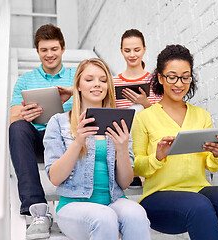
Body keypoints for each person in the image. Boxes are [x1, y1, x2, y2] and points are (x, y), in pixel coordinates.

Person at [131, 44, 218, 240]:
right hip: (158, 197)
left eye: (185, 76)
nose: (179, 83)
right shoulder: (144, 117)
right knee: (198, 204)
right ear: (161, 78)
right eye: (172, 76)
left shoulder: (201, 115)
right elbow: (137, 168)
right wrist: (157, 156)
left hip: (197, 190)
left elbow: (211, 166)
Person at [43, 58, 151, 240]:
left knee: (137, 214)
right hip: (73, 205)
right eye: (89, 79)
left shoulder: (120, 122)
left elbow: (124, 183)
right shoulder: (59, 122)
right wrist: (78, 142)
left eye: (103, 80)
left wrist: (122, 149)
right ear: (78, 85)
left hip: (113, 199)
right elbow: (55, 177)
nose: (97, 85)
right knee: (104, 217)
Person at [9, 24, 75, 239]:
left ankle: (74, 206)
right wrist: (24, 115)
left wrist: (75, 91)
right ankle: (37, 208)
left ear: (63, 49)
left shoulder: (77, 77)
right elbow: (13, 117)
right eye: (44, 50)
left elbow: (101, 97)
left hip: (68, 139)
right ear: (37, 51)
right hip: (38, 139)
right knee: (17, 127)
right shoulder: (25, 80)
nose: (49, 54)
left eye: (54, 49)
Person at [114, 29, 161, 188]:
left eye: (137, 50)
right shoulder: (113, 82)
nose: (132, 54)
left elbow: (164, 116)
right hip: (124, 136)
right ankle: (130, 168)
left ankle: (137, 168)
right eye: (127, 50)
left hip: (149, 134)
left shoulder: (155, 80)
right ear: (121, 51)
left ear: (144, 49)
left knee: (138, 110)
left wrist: (145, 103)